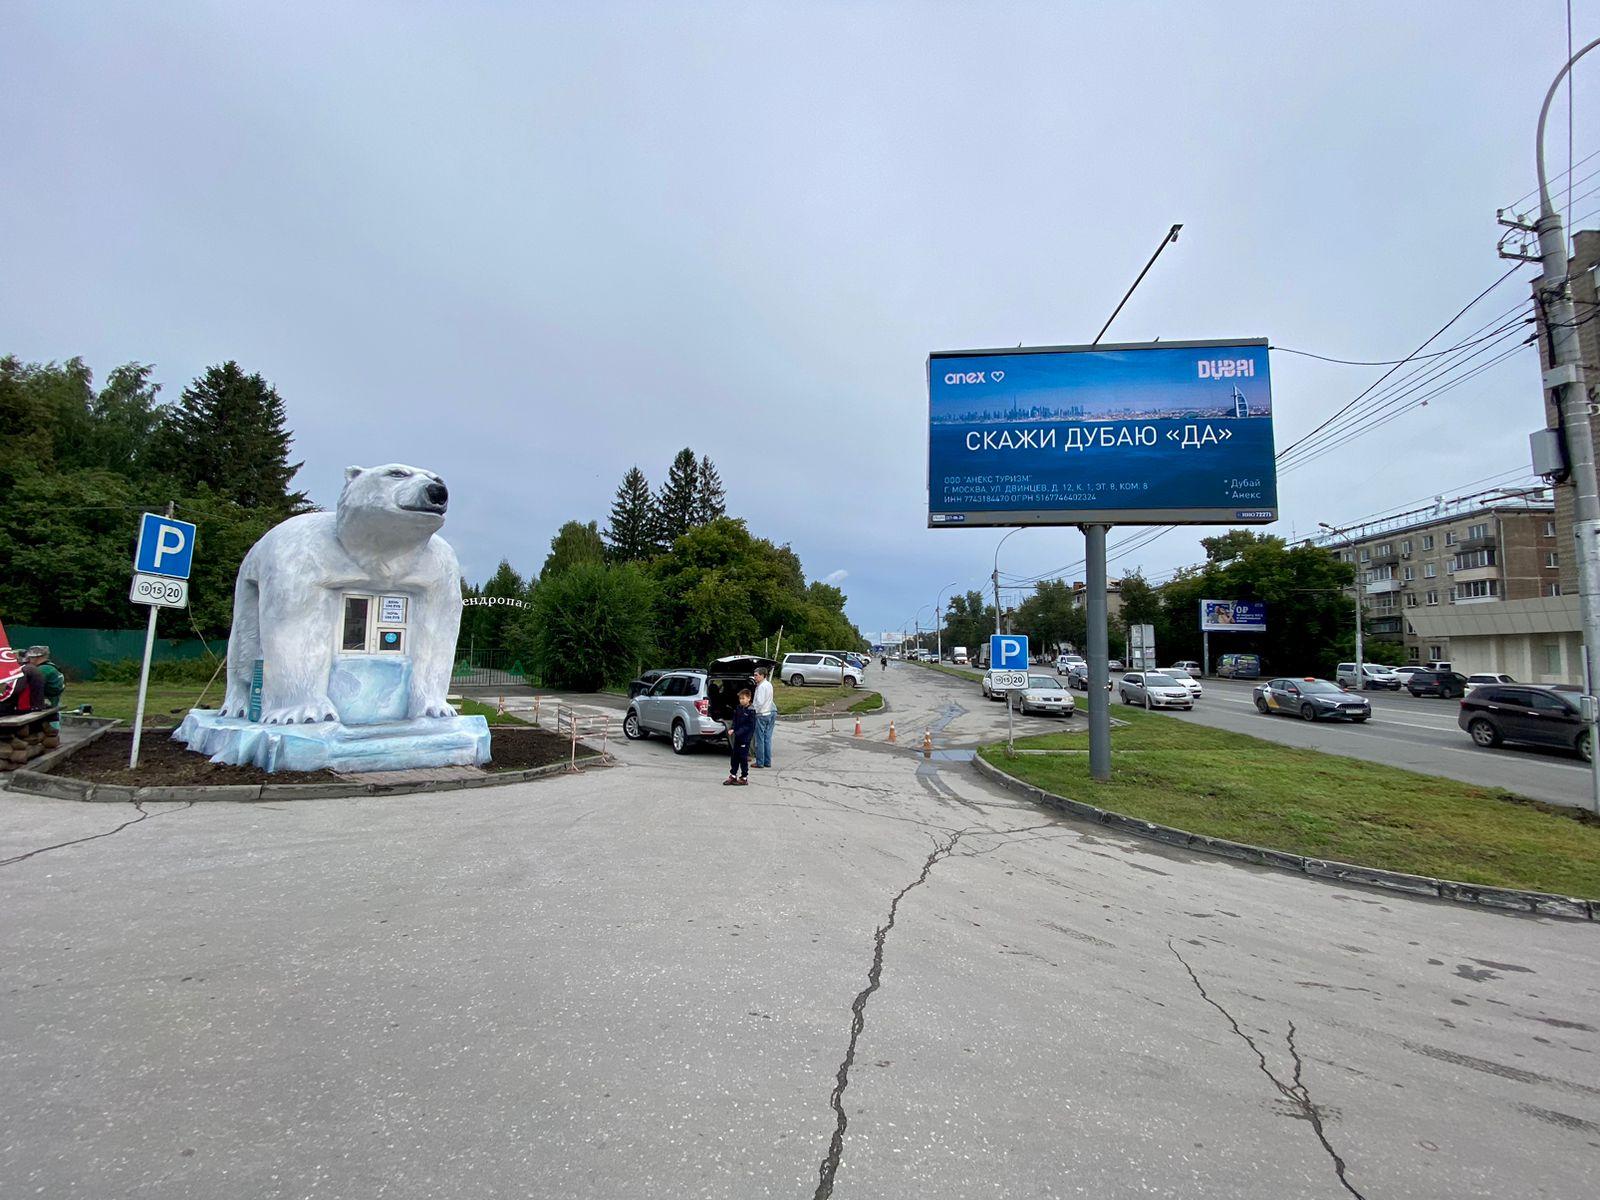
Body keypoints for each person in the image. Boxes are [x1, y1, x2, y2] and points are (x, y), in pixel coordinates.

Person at [725, 687, 756, 786]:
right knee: (734, 756)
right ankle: (733, 775)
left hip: (745, 738)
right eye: (740, 698)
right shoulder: (739, 708)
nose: (741, 700)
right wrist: (733, 728)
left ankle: (744, 777)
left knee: (743, 758)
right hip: (737, 737)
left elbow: (749, 726)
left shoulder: (751, 711)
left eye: (743, 698)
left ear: (749, 698)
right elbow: (735, 720)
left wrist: (738, 732)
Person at [751, 666, 776, 768]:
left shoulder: (761, 687)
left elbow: (759, 702)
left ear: (762, 675)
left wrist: (752, 711)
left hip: (761, 714)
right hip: (770, 713)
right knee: (767, 738)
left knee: (760, 739)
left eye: (756, 675)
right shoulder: (769, 684)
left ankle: (760, 762)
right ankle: (767, 761)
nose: (754, 677)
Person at [25, 647, 64, 712]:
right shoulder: (51, 666)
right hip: (54, 702)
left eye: (31, 657)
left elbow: (25, 685)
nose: (28, 660)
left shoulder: (42, 670)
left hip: (45, 704)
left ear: (38, 657)